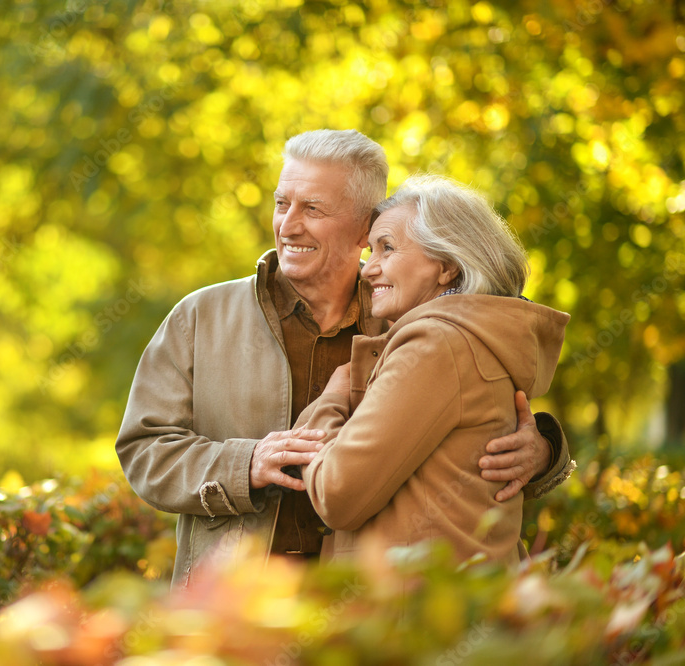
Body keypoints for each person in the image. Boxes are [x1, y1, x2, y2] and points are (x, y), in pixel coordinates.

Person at [116, 130, 574, 587]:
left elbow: (480, 426)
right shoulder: (200, 317)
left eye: (312, 209)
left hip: (363, 609)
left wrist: (544, 453)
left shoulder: (412, 316)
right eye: (281, 204)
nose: (288, 225)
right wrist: (245, 464)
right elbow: (143, 448)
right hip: (238, 600)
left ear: (364, 229)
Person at [297, 174, 569, 564]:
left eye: (386, 249)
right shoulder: (472, 335)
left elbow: (337, 495)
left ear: (445, 267)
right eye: (370, 251)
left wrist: (330, 402)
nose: (367, 269)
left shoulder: (436, 345)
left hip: (417, 611)